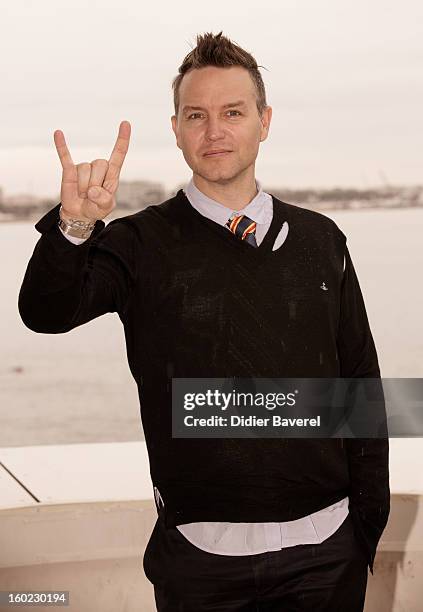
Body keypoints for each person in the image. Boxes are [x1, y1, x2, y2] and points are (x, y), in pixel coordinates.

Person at [18, 31, 390, 611]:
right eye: (197, 115)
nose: (215, 131)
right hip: (200, 563)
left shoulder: (322, 240)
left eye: (233, 112)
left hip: (326, 554)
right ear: (176, 129)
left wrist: (364, 529)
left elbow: (361, 387)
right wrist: (74, 226)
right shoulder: (138, 242)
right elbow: (44, 313)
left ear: (264, 121)